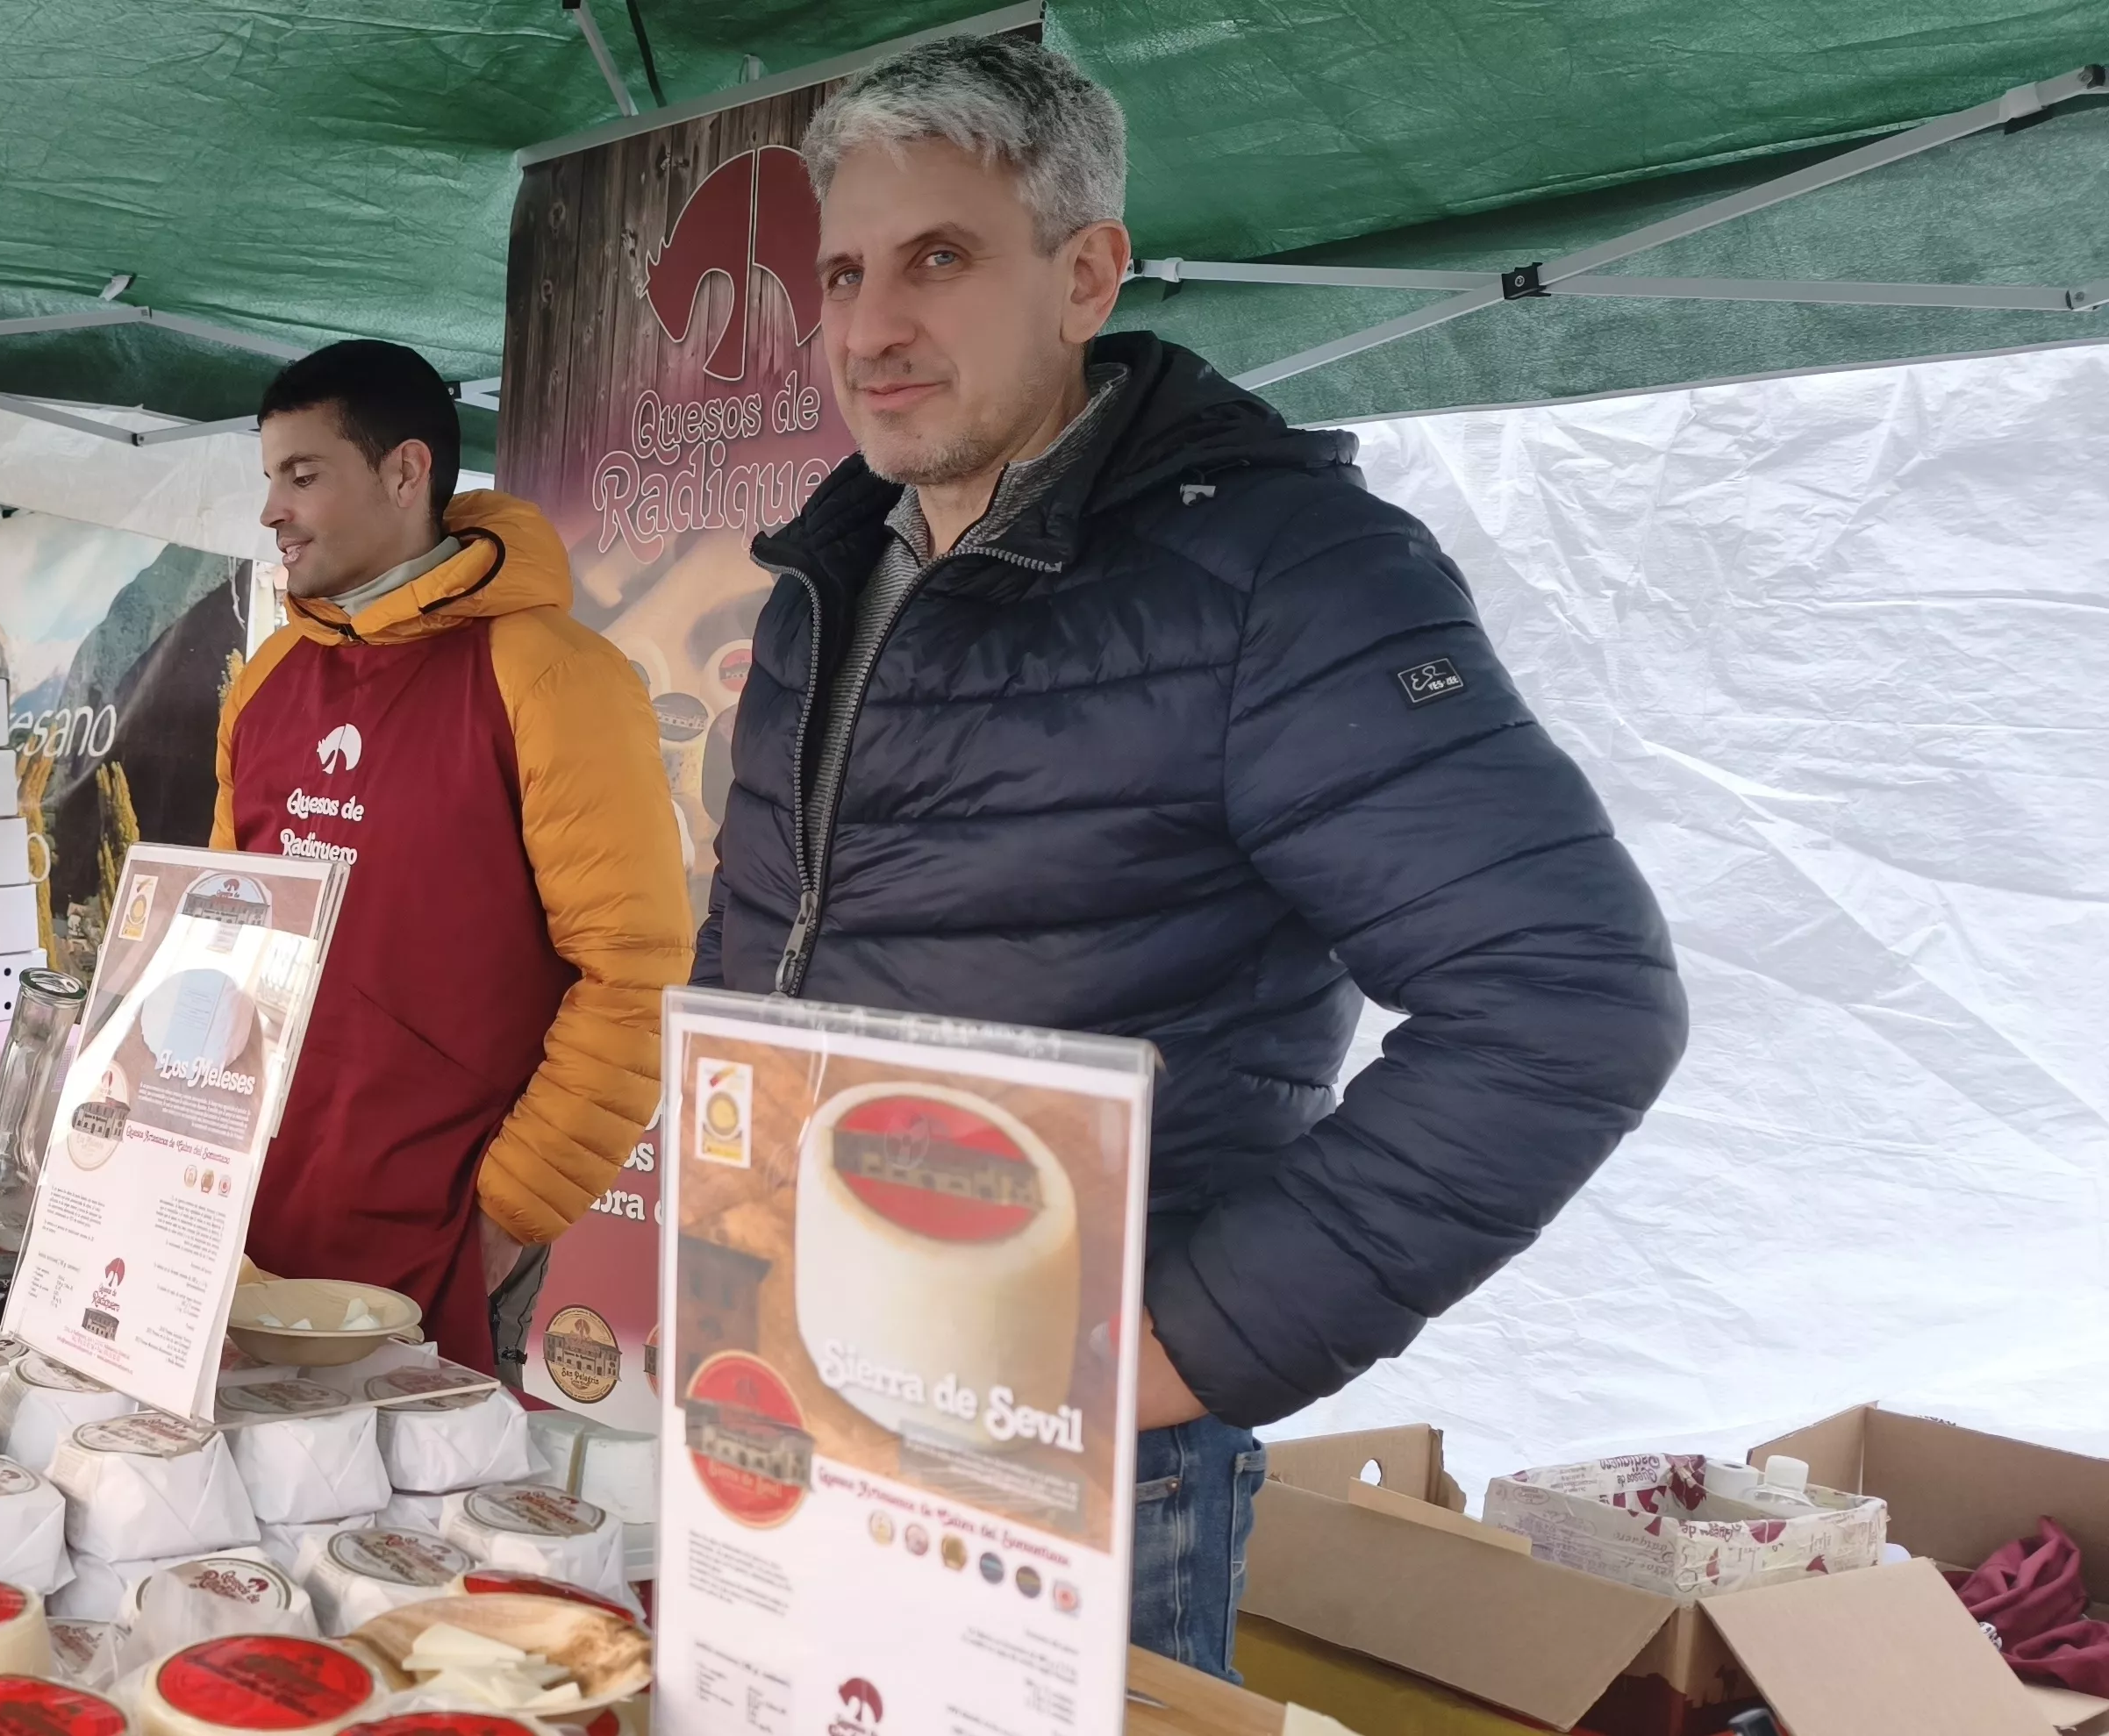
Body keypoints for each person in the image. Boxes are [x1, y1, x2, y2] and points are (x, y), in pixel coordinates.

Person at [697, 39, 1687, 1676]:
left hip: (1069, 1467)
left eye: (939, 258)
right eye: (843, 272)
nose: (869, 326)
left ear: (1085, 274)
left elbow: (1568, 1003)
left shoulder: (1284, 569)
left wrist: (1162, 1352)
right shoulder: (833, 564)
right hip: (792, 1389)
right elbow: (771, 940)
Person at [211, 339, 689, 1382]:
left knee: (419, 1526)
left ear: (404, 471)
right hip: (258, 1209)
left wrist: (511, 1212)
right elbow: (224, 940)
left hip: (448, 1218)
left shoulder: (554, 676)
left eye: (303, 476)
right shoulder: (268, 680)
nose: (272, 512)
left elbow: (634, 970)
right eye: (268, 479)